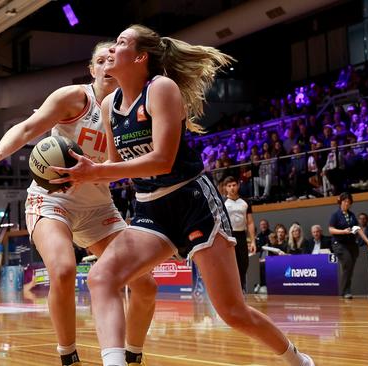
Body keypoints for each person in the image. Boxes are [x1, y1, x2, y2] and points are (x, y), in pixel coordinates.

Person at [52, 25, 314, 366]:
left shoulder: (161, 89)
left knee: (232, 312)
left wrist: (98, 171)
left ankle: (298, 360)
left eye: (121, 42)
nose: (112, 49)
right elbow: (118, 168)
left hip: (193, 202)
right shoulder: (109, 106)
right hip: (150, 209)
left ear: (141, 56)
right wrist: (77, 176)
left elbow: (162, 159)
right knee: (101, 278)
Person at [0, 42, 156, 366]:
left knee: (145, 284)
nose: (107, 63)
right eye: (100, 60)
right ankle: (68, 354)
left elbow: (133, 165)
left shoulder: (133, 112)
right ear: (92, 70)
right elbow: (27, 128)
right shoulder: (74, 98)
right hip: (52, 198)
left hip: (99, 206)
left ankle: (132, 355)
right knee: (63, 270)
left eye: (112, 58)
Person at [328, 192, 368, 299]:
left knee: (349, 268)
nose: (347, 204)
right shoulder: (335, 215)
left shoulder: (352, 215)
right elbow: (331, 229)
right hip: (339, 244)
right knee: (347, 262)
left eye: (349, 202)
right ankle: (344, 291)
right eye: (345, 201)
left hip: (352, 244)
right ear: (340, 202)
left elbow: (357, 229)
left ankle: (346, 291)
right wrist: (343, 231)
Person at [223, 176, 256, 293]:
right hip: (228, 237)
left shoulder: (246, 202)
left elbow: (250, 222)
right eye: (229, 186)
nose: (232, 188)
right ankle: (231, 290)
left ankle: (241, 288)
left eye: (234, 185)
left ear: (238, 185)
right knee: (230, 265)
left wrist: (253, 241)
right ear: (225, 188)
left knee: (243, 263)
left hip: (242, 235)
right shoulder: (223, 202)